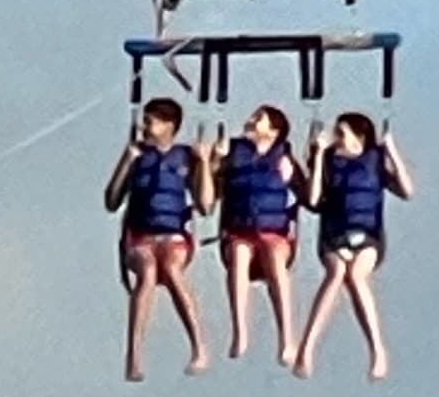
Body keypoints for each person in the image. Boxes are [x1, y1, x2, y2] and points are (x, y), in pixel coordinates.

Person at [295, 113, 414, 381]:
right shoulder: (328, 160)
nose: (336, 138)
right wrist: (318, 157)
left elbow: (407, 191)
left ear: (358, 137)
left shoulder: (375, 161)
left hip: (368, 236)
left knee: (357, 276)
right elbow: (313, 200)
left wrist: (391, 151)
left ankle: (377, 351)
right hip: (334, 236)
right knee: (336, 274)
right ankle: (306, 348)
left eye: (341, 133)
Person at [104, 97, 213, 381]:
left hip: (175, 236)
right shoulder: (137, 155)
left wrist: (203, 162)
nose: (144, 127)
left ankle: (199, 347)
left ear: (169, 125)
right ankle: (134, 357)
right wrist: (126, 161)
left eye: (150, 121)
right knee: (148, 272)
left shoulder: (186, 157)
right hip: (140, 237)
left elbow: (205, 205)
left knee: (172, 270)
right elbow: (112, 201)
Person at [213, 103, 303, 366]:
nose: (251, 120)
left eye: (258, 118)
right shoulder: (233, 153)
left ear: (274, 130)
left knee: (274, 257)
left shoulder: (285, 157)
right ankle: (240, 332)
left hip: (275, 233)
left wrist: (306, 165)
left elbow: (310, 196)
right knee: (239, 255)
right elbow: (209, 195)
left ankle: (287, 339)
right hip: (239, 232)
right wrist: (215, 161)